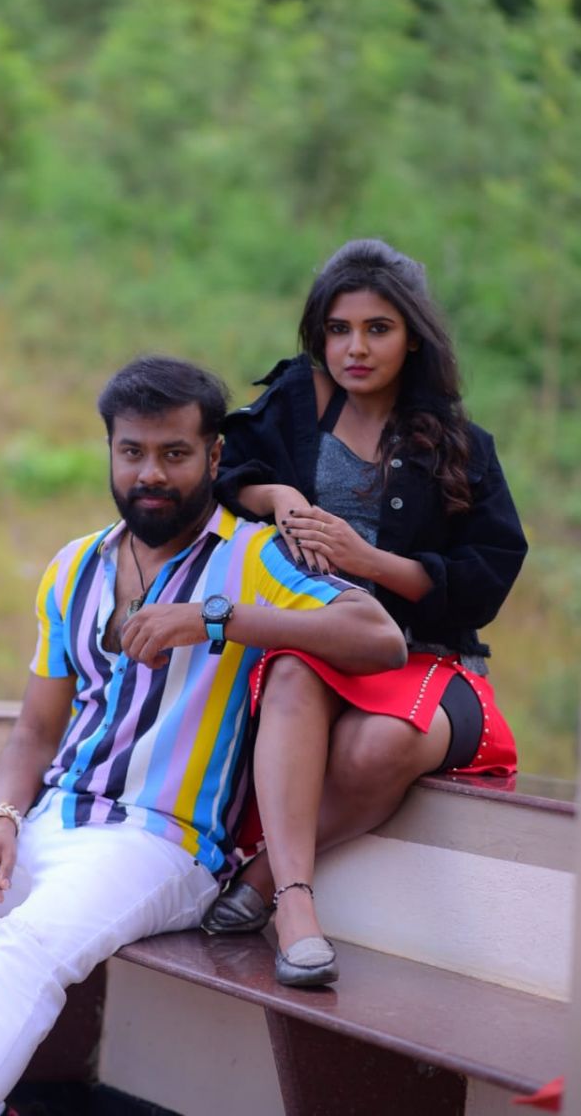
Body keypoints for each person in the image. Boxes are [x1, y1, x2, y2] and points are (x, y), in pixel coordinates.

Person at [0, 355, 406, 1116]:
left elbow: (379, 637)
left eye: (174, 453)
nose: (150, 473)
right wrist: (0, 819)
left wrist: (214, 620)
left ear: (214, 456)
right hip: (52, 821)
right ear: (110, 453)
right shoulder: (73, 566)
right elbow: (34, 730)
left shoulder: (253, 556)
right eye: (132, 452)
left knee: (21, 949)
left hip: (159, 846)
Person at [203, 238, 527, 961]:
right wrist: (277, 495)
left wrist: (369, 561)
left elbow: (487, 575)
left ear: (412, 337)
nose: (355, 348)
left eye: (377, 328)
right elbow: (226, 469)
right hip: (316, 644)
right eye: (338, 329)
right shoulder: (297, 403)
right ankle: (296, 910)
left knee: (381, 744)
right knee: (293, 666)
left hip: (427, 659)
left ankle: (261, 875)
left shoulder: (459, 445)